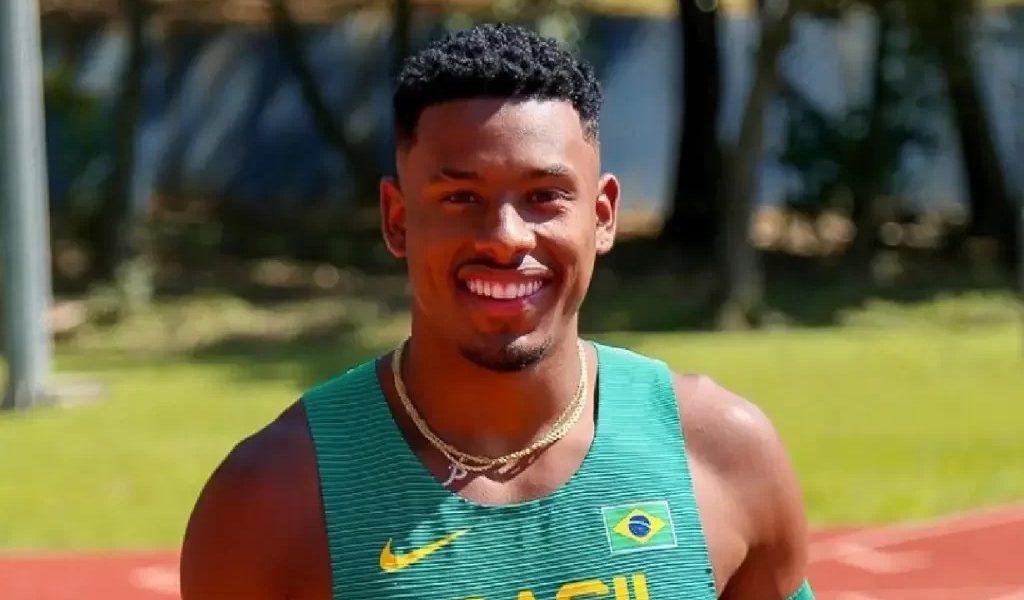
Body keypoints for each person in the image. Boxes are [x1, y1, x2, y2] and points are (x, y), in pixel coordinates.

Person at [180, 23, 815, 600]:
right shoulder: (273, 499)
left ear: (602, 216)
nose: (507, 238)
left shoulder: (723, 452)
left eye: (545, 196)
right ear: (398, 220)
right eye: (461, 197)